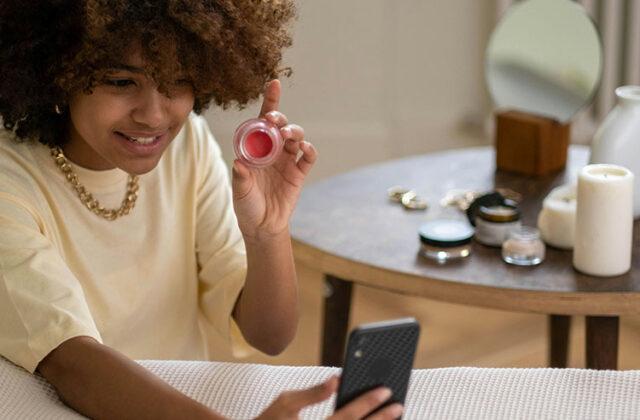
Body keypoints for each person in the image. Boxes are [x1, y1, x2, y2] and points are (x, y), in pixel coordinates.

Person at [0, 1, 403, 419]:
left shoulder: (187, 144)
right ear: (57, 74)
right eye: (121, 81)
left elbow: (268, 335)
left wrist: (268, 233)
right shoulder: (9, 184)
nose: (153, 115)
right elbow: (74, 364)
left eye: (178, 81)